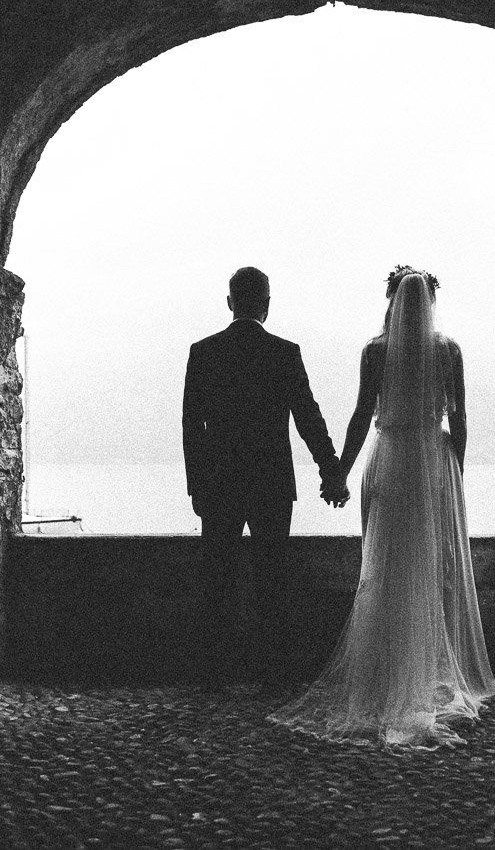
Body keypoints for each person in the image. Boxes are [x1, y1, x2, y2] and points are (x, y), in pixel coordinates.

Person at [269, 267, 495, 747]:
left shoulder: (375, 352)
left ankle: (383, 676)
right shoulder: (448, 352)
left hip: (390, 459)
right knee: (434, 570)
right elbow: (458, 417)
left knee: (383, 569)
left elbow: (360, 413)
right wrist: (453, 470)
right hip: (432, 463)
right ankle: (429, 673)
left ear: (391, 301)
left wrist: (339, 471)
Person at [183, 266, 350, 683]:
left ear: (229, 302)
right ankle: (273, 673)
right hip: (271, 483)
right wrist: (331, 470)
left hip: (218, 484)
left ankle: (213, 673)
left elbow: (191, 428)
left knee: (217, 579)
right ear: (267, 305)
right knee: (272, 579)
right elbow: (308, 418)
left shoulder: (203, 352)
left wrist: (196, 486)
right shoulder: (284, 352)